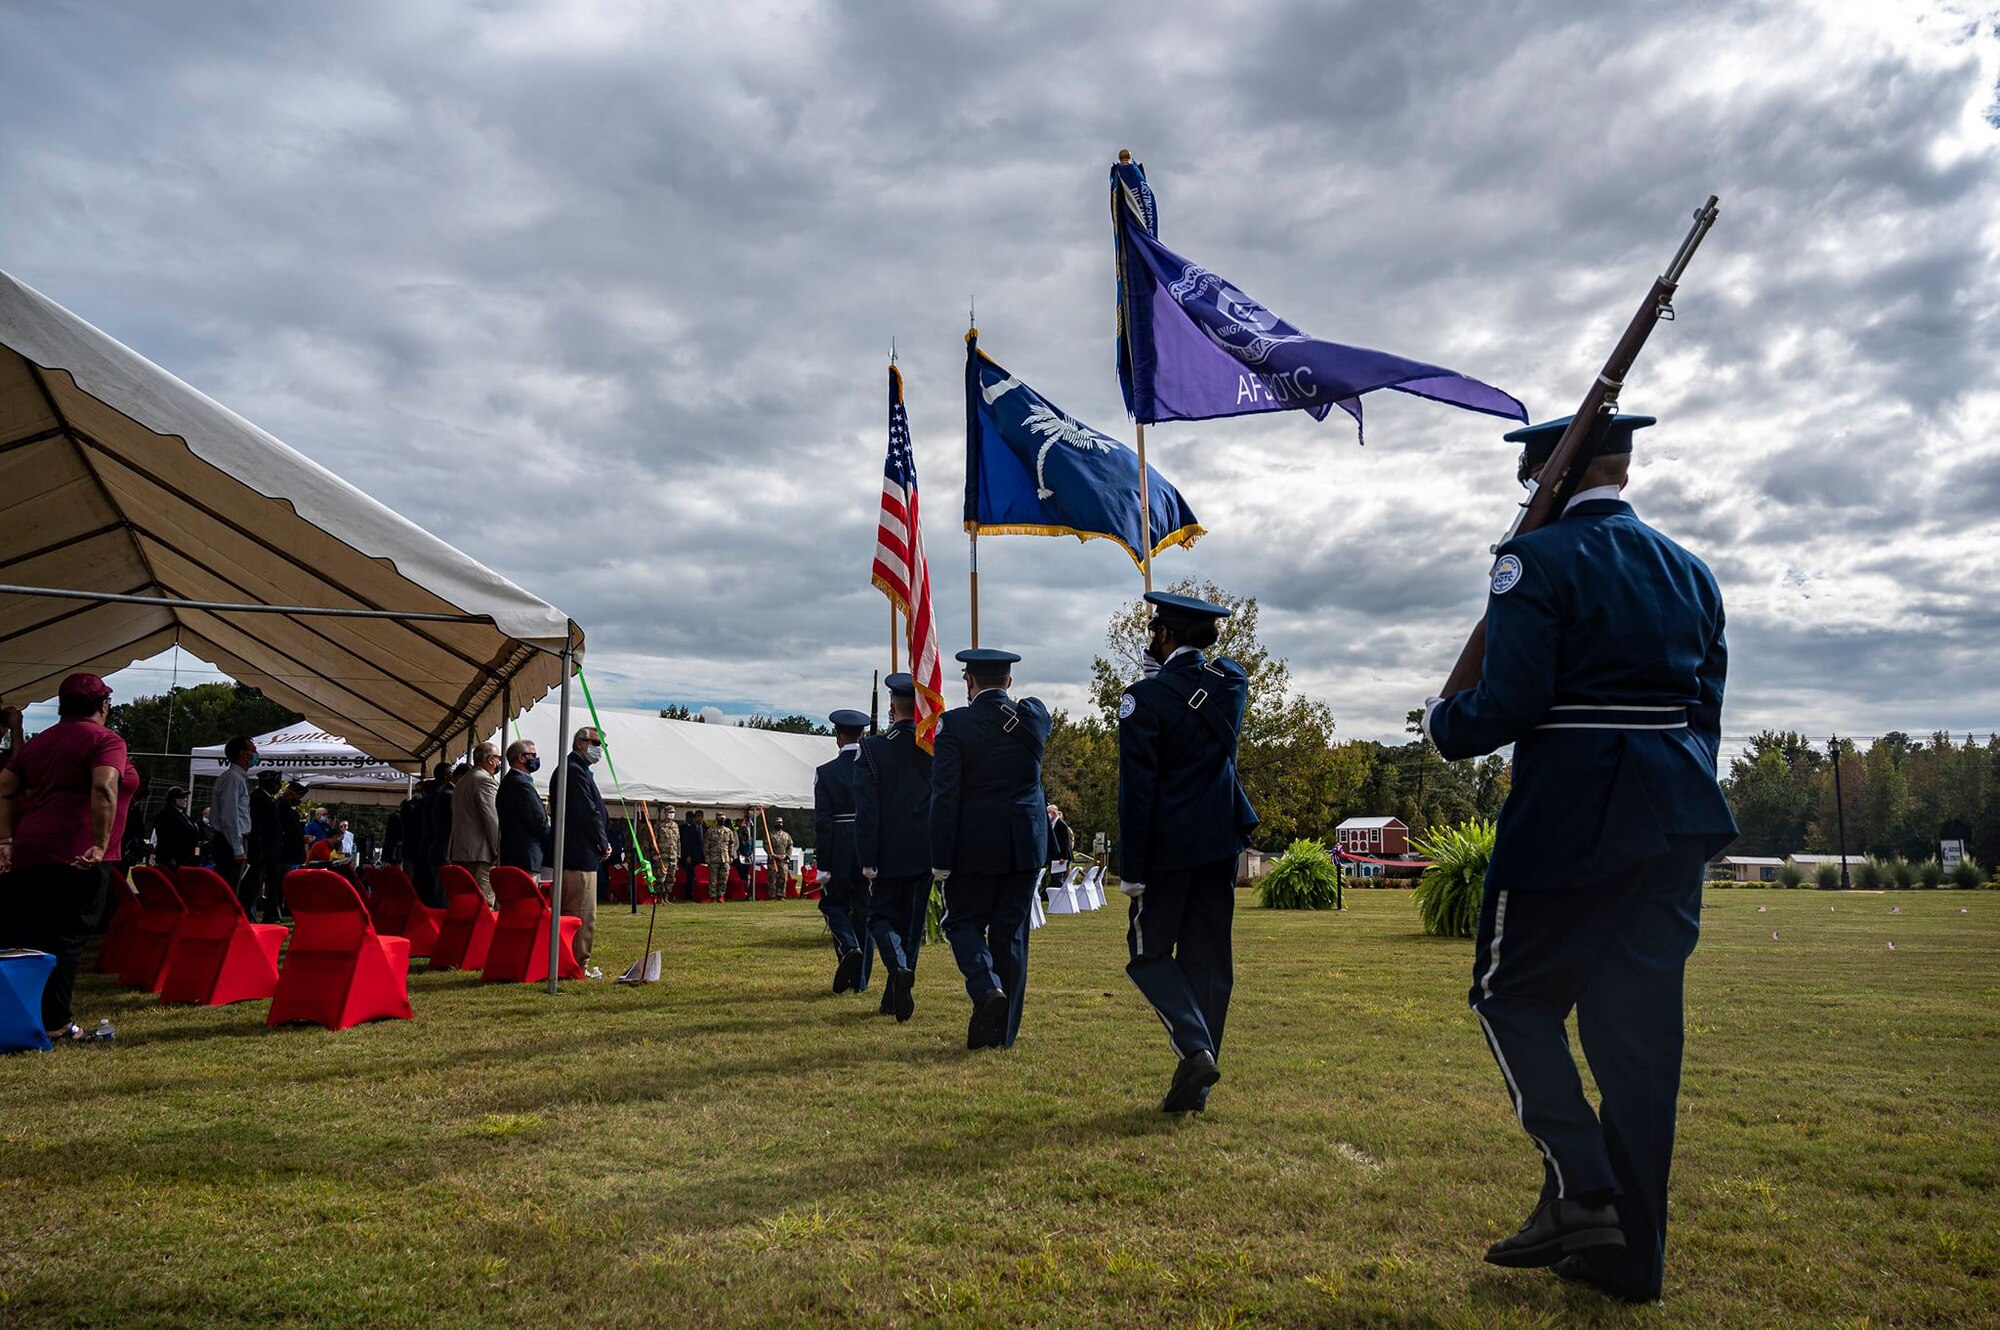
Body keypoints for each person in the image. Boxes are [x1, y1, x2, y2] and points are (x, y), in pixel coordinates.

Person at [1422, 413, 1738, 1304]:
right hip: (1674, 817)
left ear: (1550, 479)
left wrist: (1444, 724)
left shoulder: (1535, 561)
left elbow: (1511, 699)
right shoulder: (1692, 572)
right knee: (1639, 1045)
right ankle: (1630, 1259)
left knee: (1509, 997)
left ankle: (1583, 1188)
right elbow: (1704, 716)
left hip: (1569, 817)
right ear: (1622, 474)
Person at [1116, 591, 1260, 1114]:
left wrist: (1132, 870)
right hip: (1220, 842)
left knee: (1148, 954)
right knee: (1208, 962)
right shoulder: (1230, 685)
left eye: (1155, 632)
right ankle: (1194, 1087)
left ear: (1165, 636)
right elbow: (1221, 670)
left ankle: (1195, 1048)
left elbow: (1136, 791)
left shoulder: (1143, 700)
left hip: (1168, 849)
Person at [0, 673, 137, 1042]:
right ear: (103, 705)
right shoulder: (106, 740)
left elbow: (4, 788)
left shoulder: (41, 743)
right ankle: (57, 1024)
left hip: (31, 850)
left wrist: (6, 841)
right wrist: (99, 842)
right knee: (67, 940)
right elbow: (104, 786)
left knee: (30, 938)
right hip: (79, 855)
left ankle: (24, 1014)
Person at [930, 648, 1050, 1051]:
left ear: (969, 682)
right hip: (1025, 844)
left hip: (975, 844)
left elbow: (945, 796)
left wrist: (941, 859)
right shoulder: (1032, 716)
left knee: (961, 923)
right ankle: (1003, 1034)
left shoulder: (955, 725)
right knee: (1011, 935)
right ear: (1009, 682)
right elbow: (1031, 710)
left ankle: (985, 988)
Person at [855, 673, 934, 1023]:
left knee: (881, 919)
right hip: (926, 851)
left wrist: (868, 859)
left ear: (891, 707)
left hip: (888, 852)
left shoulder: (872, 749)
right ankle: (895, 997)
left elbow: (867, 812)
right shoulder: (934, 747)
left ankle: (898, 973)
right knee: (912, 929)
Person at [814, 709, 873, 994]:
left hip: (838, 844)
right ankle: (860, 981)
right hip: (866, 844)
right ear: (863, 735)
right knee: (864, 908)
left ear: (838, 737)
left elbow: (823, 822)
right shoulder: (874, 768)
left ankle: (849, 946)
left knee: (832, 904)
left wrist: (822, 864)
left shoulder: (825, 772)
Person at [550, 726, 610, 972]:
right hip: (579, 853)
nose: (600, 749)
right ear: (580, 743)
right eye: (596, 743)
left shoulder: (576, 770)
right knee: (582, 913)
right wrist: (602, 840)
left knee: (573, 911)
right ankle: (576, 963)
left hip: (575, 852)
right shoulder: (574, 771)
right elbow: (587, 812)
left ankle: (568, 961)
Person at [450, 741, 504, 904]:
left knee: (465, 904)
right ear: (489, 759)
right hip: (480, 855)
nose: (499, 762)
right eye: (498, 758)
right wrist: (498, 851)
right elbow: (492, 819)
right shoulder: (485, 781)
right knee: (484, 904)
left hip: (461, 851)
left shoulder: (462, 782)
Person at [209, 735, 256, 898]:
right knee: (228, 891)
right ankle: (225, 922)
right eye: (252, 750)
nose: (255, 754)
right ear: (243, 753)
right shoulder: (232, 778)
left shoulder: (237, 778)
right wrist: (237, 848)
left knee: (232, 888)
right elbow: (229, 816)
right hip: (229, 841)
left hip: (231, 839)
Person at [497, 739, 551, 876]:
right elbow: (538, 820)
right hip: (526, 856)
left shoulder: (510, 781)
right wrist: (552, 840)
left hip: (514, 854)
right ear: (521, 757)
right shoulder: (520, 784)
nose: (536, 759)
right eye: (533, 755)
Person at [152, 786, 203, 870]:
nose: (185, 799)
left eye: (185, 797)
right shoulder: (165, 815)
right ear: (173, 800)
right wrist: (170, 857)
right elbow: (165, 838)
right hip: (174, 860)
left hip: (188, 858)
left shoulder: (183, 815)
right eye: (182, 797)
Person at [704, 814, 735, 904]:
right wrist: (707, 857)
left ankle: (720, 896)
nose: (722, 821)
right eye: (721, 819)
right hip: (713, 858)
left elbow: (731, 844)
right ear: (717, 820)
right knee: (713, 879)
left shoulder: (728, 831)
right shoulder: (711, 831)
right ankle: (713, 897)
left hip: (725, 858)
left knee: (724, 878)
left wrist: (731, 856)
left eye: (724, 819)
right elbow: (706, 845)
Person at [1046, 803, 1074, 888]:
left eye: (1048, 812)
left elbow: (1065, 842)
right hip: (1055, 856)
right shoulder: (1053, 824)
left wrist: (1063, 857)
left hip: (1061, 858)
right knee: (1055, 878)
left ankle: (1059, 898)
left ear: (1053, 812)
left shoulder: (1061, 824)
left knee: (1058, 878)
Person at [767, 816, 794, 899]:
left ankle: (781, 895)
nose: (780, 824)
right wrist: (772, 854)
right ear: (775, 824)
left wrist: (787, 855)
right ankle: (771, 895)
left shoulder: (786, 835)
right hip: (773, 860)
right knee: (772, 878)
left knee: (783, 878)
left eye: (781, 823)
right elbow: (766, 845)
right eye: (778, 823)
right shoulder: (770, 835)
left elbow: (790, 845)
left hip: (783, 860)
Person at [680, 811, 706, 898]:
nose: (699, 818)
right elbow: (685, 843)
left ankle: (701, 894)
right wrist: (687, 855)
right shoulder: (689, 829)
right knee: (690, 875)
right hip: (692, 856)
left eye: (701, 816)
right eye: (698, 816)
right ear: (695, 818)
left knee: (702, 875)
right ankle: (689, 894)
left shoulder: (705, 828)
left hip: (703, 856)